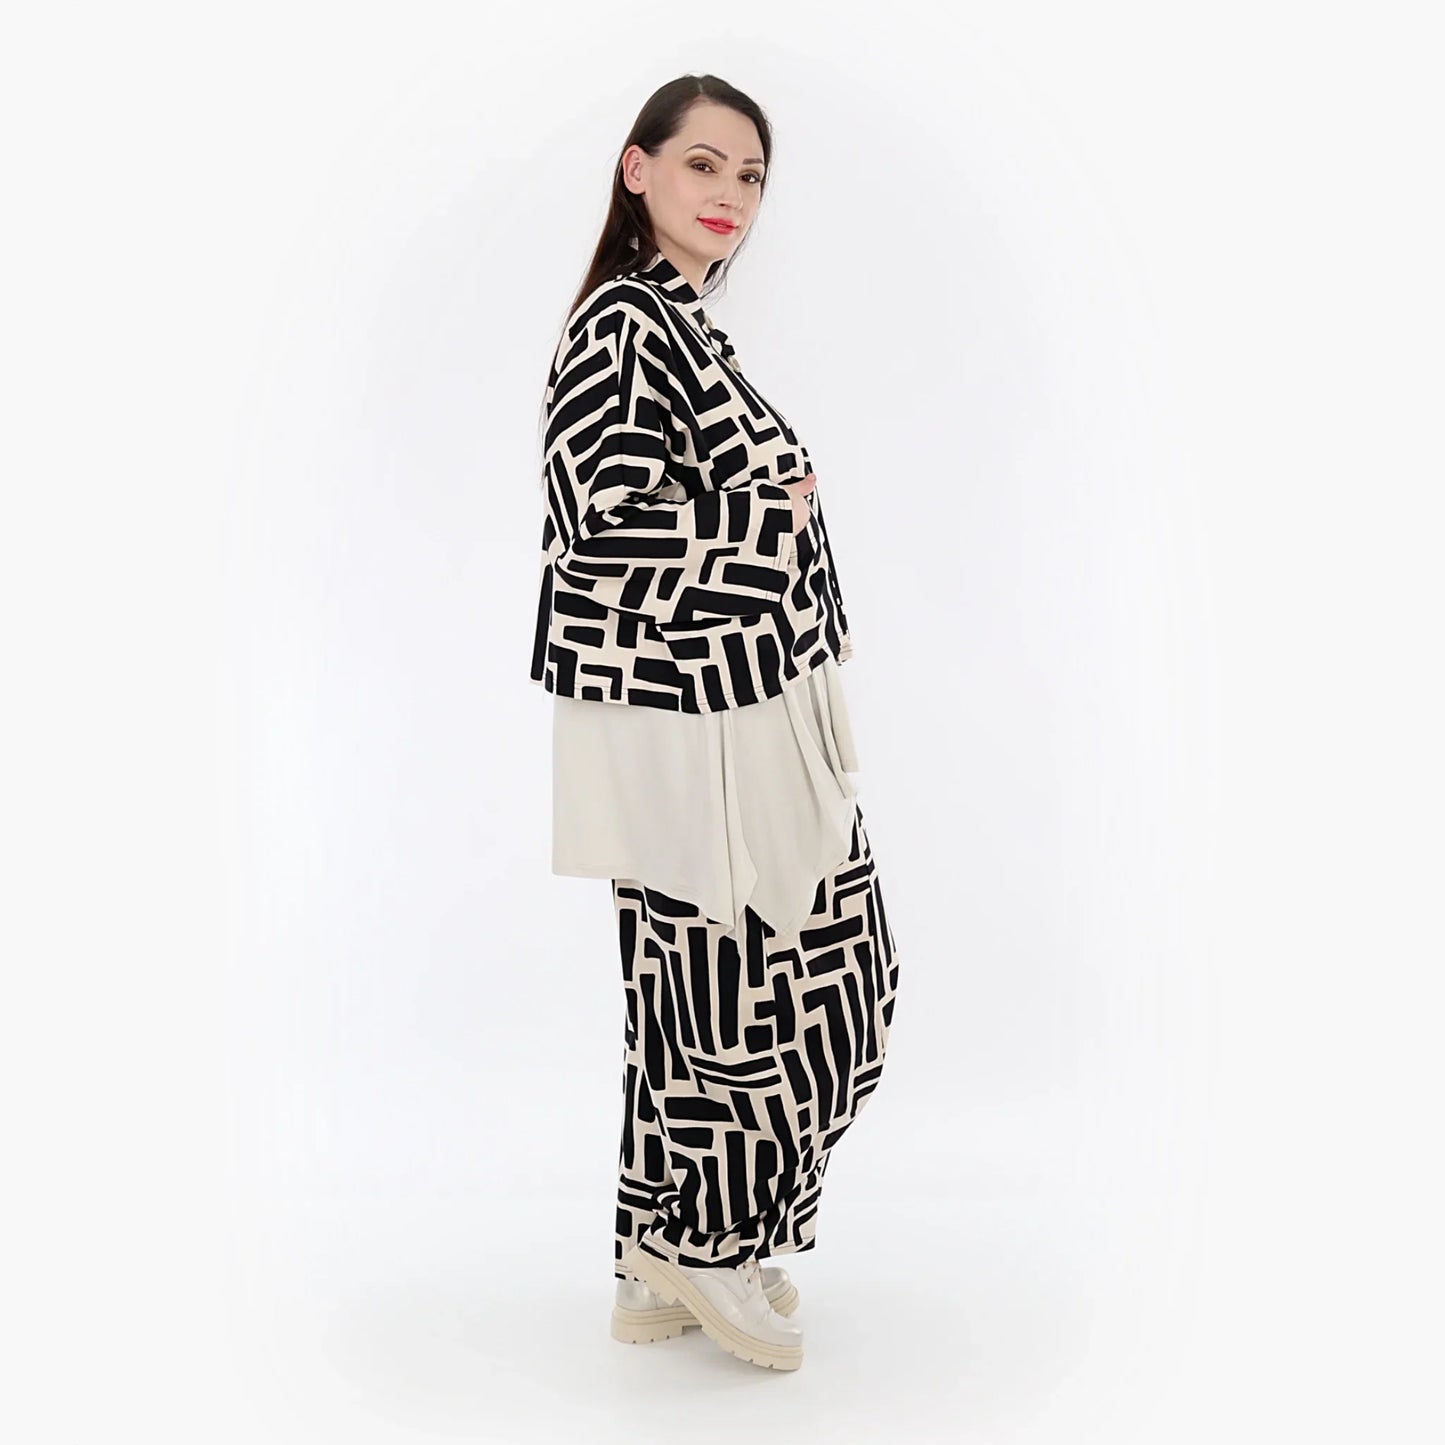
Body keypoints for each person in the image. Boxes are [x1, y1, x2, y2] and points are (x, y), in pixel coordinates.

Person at [529, 74, 901, 1373]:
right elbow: (598, 531)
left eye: (750, 175)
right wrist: (769, 515)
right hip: (699, 724)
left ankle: (657, 1255)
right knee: (767, 988)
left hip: (736, 706)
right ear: (637, 171)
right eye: (703, 164)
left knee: (705, 989)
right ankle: (710, 1235)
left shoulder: (680, 326)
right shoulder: (625, 325)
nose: (731, 193)